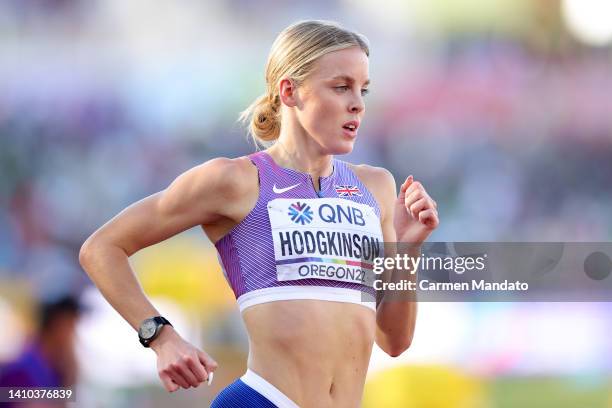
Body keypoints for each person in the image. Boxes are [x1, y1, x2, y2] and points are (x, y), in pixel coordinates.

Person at [79, 19, 439, 407]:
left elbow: (394, 340)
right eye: (340, 87)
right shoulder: (234, 180)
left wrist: (407, 250)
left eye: (362, 89)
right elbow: (101, 249)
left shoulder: (376, 188)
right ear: (289, 91)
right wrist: (160, 336)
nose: (357, 104)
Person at [0, 295, 81, 408]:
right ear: (58, 324)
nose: (74, 335)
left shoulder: (56, 369)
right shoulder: (22, 368)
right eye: (71, 326)